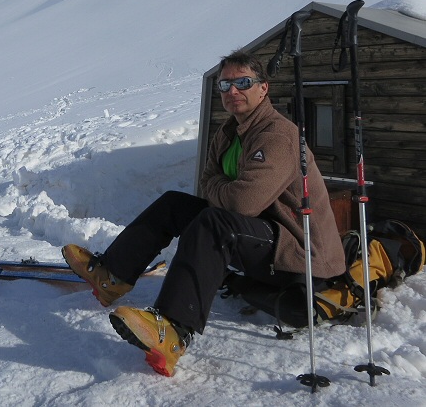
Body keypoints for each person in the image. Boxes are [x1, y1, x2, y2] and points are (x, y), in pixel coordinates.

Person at [62, 50, 346, 377]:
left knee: (214, 220)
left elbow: (241, 204)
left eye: (243, 82)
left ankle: (173, 330)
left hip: (299, 256)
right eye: (225, 85)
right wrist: (223, 188)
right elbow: (206, 185)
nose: (232, 91)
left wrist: (220, 187)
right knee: (175, 204)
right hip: (260, 237)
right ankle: (112, 275)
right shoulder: (229, 134)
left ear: (263, 88)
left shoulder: (277, 135)